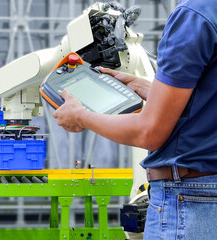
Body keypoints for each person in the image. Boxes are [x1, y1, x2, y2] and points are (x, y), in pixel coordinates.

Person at [52, 0, 217, 239]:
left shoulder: (193, 15)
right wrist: (151, 90)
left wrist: (81, 116)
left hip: (189, 200)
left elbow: (149, 133)